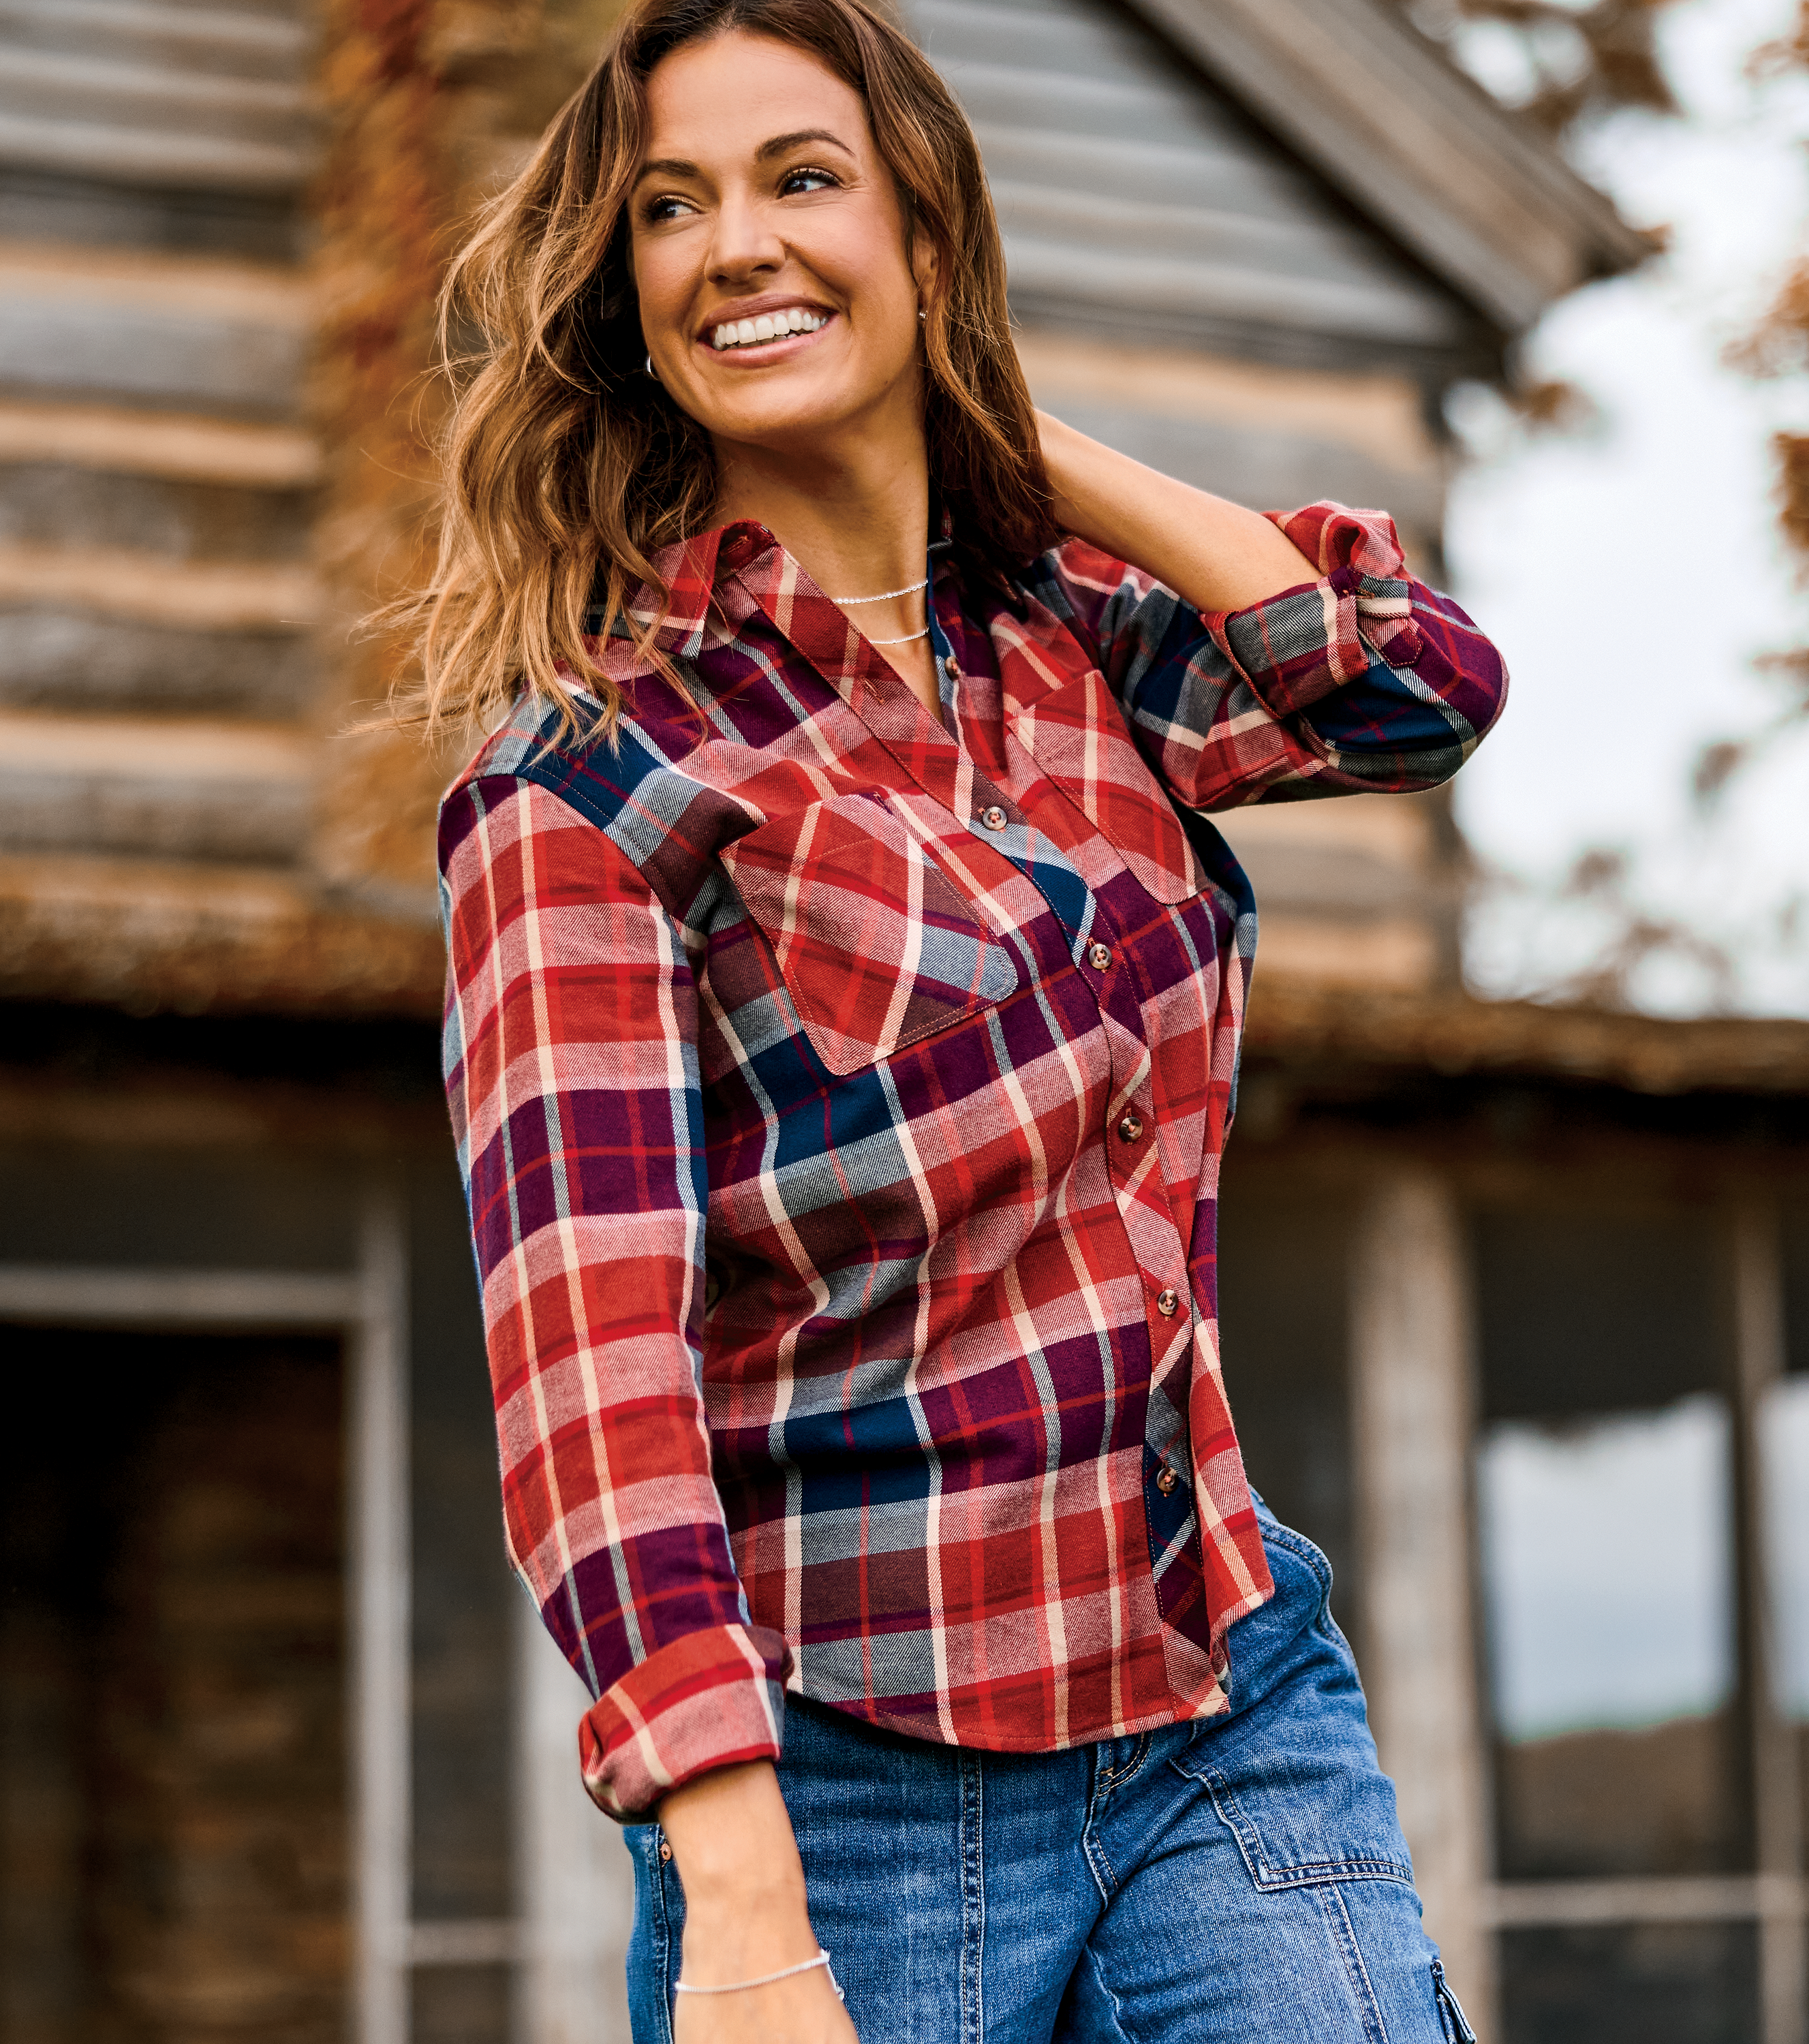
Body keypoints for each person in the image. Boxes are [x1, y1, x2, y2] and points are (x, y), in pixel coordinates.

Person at [413, 0, 1505, 2036]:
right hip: (852, 1787)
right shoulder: (586, 787)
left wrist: (1006, 427)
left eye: (802, 180)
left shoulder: (1078, 645)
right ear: (626, 291)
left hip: (1219, 1690)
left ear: (927, 233)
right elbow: (592, 1390)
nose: (734, 243)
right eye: (671, 207)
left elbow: (1411, 688)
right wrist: (739, 1902)